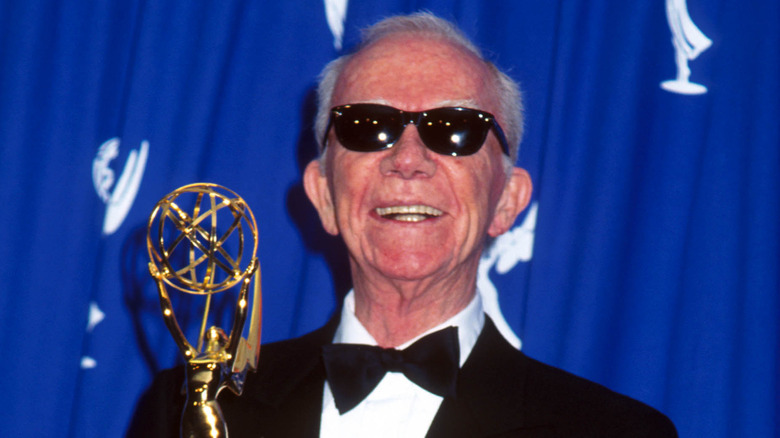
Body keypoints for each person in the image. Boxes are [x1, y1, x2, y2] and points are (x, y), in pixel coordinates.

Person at [128, 12, 677, 438]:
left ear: (507, 201)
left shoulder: (616, 431)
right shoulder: (185, 407)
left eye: (456, 129)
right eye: (369, 127)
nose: (408, 159)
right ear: (323, 194)